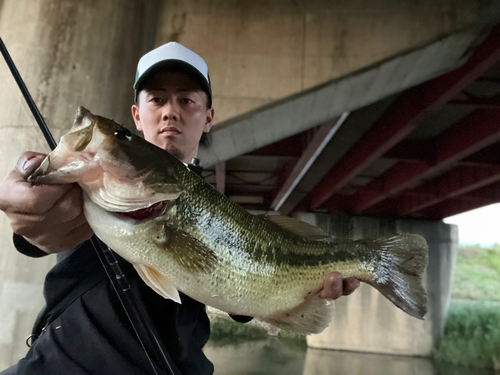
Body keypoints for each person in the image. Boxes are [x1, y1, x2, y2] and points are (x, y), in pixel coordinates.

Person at [0, 42, 360, 375]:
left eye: (186, 101)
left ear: (208, 118)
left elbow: (233, 290)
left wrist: (302, 291)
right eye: (157, 100)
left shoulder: (219, 208)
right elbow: (39, 226)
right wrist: (29, 211)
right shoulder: (89, 183)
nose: (170, 111)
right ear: (137, 116)